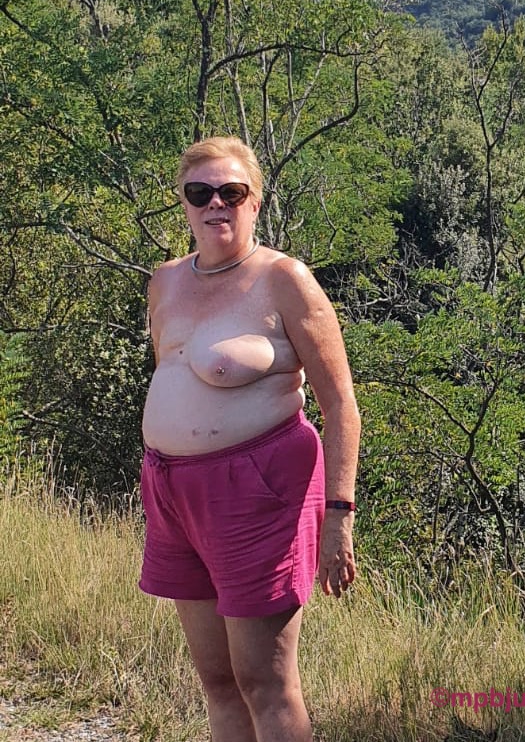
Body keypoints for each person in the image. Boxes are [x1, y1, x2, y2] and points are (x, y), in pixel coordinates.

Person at [139, 136, 360, 742]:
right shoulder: (164, 283)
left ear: (255, 202)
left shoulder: (284, 280)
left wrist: (340, 513)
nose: (217, 204)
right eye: (200, 192)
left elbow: (340, 403)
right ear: (183, 204)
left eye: (231, 192)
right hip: (173, 492)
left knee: (265, 680)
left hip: (258, 493)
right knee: (216, 679)